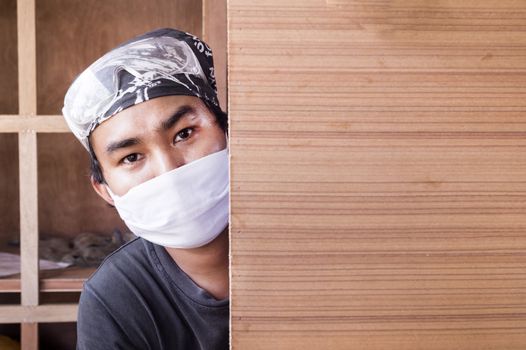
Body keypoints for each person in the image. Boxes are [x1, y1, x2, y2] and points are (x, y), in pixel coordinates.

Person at [62, 28, 229, 350]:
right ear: (105, 190)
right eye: (132, 157)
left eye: (184, 134)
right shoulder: (117, 296)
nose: (169, 171)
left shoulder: (310, 254)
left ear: (229, 133)